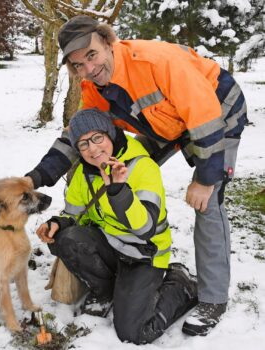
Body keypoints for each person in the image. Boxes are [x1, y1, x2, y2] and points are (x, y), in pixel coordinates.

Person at [26, 15, 248, 337]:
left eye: (91, 55)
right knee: (125, 167)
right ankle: (123, 253)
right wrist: (34, 179)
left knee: (208, 202)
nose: (88, 69)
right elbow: (78, 137)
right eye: (78, 65)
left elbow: (205, 117)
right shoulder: (94, 87)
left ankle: (212, 298)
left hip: (217, 114)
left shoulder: (156, 62)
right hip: (166, 124)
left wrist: (204, 179)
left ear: (107, 41)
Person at [35, 109, 197, 344]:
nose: (92, 149)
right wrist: (57, 224)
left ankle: (181, 284)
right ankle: (104, 291)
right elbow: (73, 215)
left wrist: (118, 191)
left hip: (144, 254)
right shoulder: (83, 171)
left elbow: (146, 228)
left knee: (134, 332)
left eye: (97, 137)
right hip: (111, 246)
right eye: (83, 144)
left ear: (110, 134)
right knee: (67, 238)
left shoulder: (142, 167)